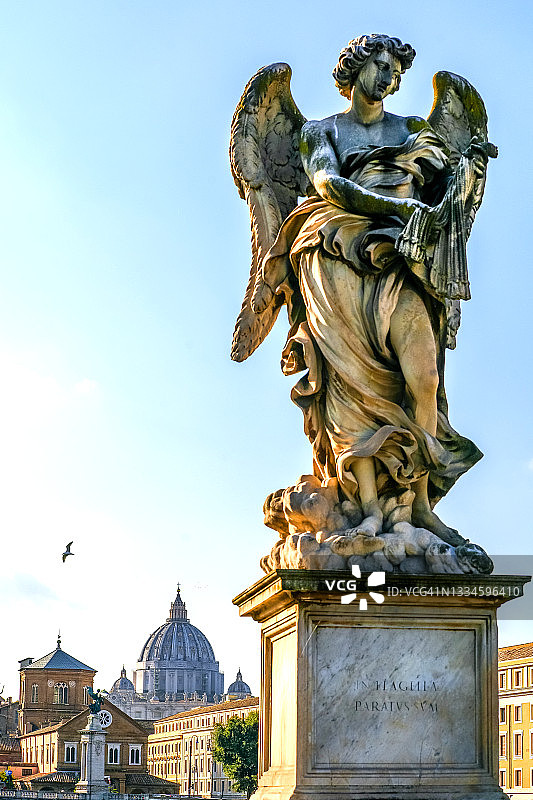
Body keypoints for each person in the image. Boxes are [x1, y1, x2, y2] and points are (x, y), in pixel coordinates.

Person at [260, 35, 486, 544]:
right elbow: (329, 186)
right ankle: (366, 509)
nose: (389, 78)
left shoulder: (414, 131)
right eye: (380, 66)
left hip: (400, 260)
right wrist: (402, 209)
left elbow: (448, 197)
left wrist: (465, 174)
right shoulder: (319, 132)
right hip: (336, 252)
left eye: (396, 72)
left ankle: (418, 503)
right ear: (355, 68)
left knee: (423, 378)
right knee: (349, 389)